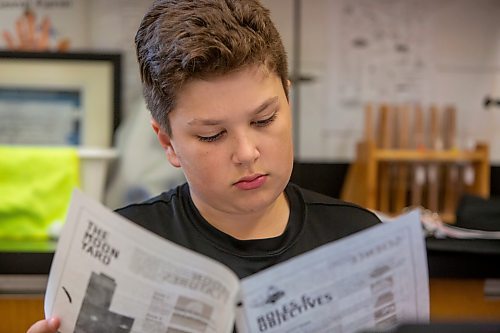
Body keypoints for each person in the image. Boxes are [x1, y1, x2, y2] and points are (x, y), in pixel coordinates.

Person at [27, 0, 380, 332]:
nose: (246, 153)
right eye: (212, 135)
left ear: (288, 101)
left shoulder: (356, 236)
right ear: (168, 143)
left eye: (264, 119)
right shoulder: (125, 246)